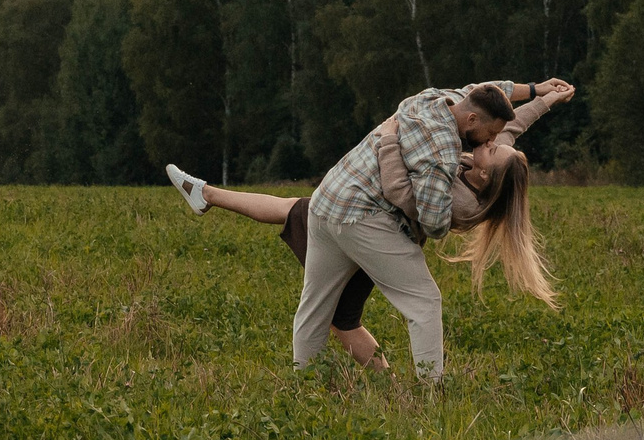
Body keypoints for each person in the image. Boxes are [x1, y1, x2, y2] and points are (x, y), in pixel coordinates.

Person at [166, 78, 572, 379]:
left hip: (327, 200)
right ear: (471, 120)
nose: (493, 140)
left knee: (315, 310)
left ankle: (303, 388)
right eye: (492, 137)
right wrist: (543, 95)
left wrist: (387, 137)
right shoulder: (446, 158)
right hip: (362, 219)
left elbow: (489, 102)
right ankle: (431, 393)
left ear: (485, 175)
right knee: (424, 302)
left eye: (494, 144)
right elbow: (423, 215)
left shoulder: (438, 98)